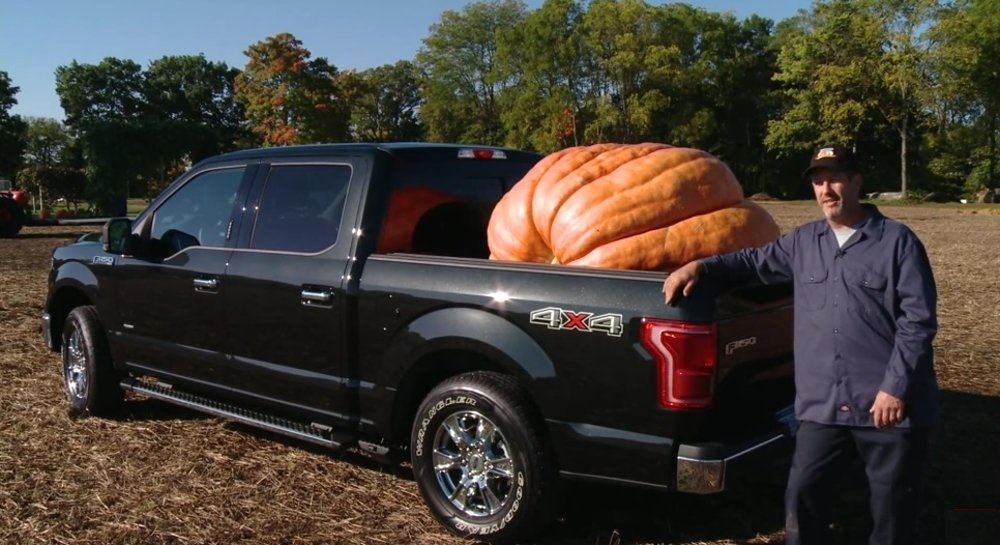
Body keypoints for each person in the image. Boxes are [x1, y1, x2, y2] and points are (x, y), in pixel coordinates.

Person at [662, 144, 938, 545]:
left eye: (835, 178)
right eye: (818, 180)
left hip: (886, 409)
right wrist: (702, 266)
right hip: (822, 407)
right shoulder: (804, 243)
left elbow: (918, 322)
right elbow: (752, 263)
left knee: (892, 515)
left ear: (856, 182)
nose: (826, 189)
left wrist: (895, 388)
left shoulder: (897, 244)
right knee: (803, 499)